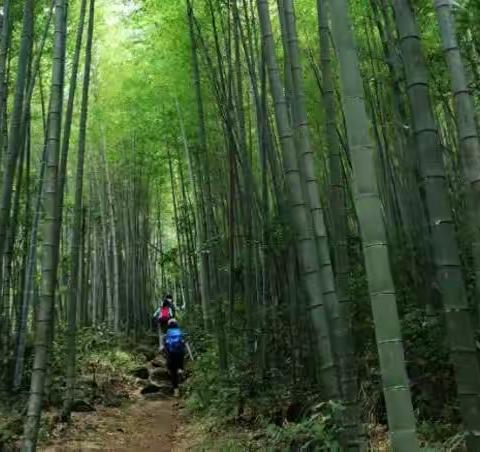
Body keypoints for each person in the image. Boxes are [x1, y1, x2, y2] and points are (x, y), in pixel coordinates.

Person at [164, 318, 185, 397]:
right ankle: (180, 370)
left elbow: (166, 346)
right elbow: (183, 344)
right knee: (180, 365)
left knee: (173, 373)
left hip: (171, 355)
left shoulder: (167, 334)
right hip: (180, 354)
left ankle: (176, 391)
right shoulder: (179, 332)